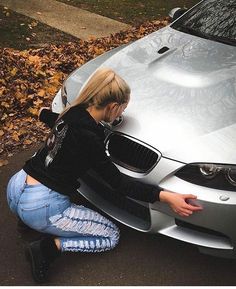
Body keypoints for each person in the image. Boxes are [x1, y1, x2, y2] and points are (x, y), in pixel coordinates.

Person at [6, 68, 202, 283]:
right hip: (39, 206)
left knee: (43, 162)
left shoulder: (73, 112)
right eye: (121, 110)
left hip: (16, 187)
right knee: (110, 236)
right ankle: (48, 248)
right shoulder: (89, 138)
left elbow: (50, 117)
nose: (120, 115)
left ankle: (25, 221)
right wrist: (165, 196)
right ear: (112, 106)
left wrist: (42, 113)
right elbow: (118, 183)